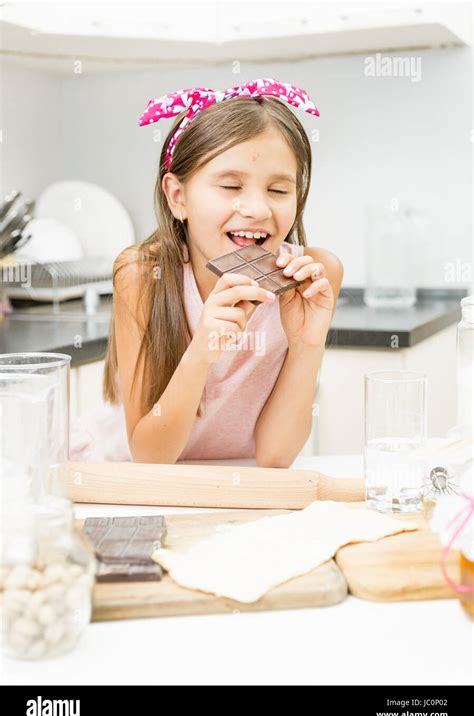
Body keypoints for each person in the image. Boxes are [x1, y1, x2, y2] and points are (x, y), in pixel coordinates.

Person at [70, 78, 343, 466]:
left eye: (279, 191)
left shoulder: (313, 277)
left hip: (235, 482)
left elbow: (275, 455)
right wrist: (201, 353)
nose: (257, 209)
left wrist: (306, 345)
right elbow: (150, 456)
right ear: (178, 197)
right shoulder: (143, 275)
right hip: (134, 478)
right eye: (231, 186)